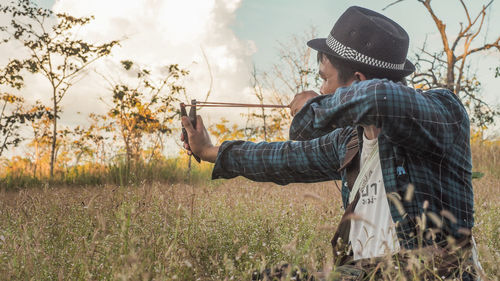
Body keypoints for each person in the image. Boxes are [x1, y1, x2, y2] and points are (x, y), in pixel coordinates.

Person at [181, 6, 478, 280]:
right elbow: (281, 158)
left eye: (325, 79)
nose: (322, 88)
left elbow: (379, 98)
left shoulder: (443, 112)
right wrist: (207, 150)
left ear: (357, 81)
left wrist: (316, 107)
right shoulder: (350, 141)